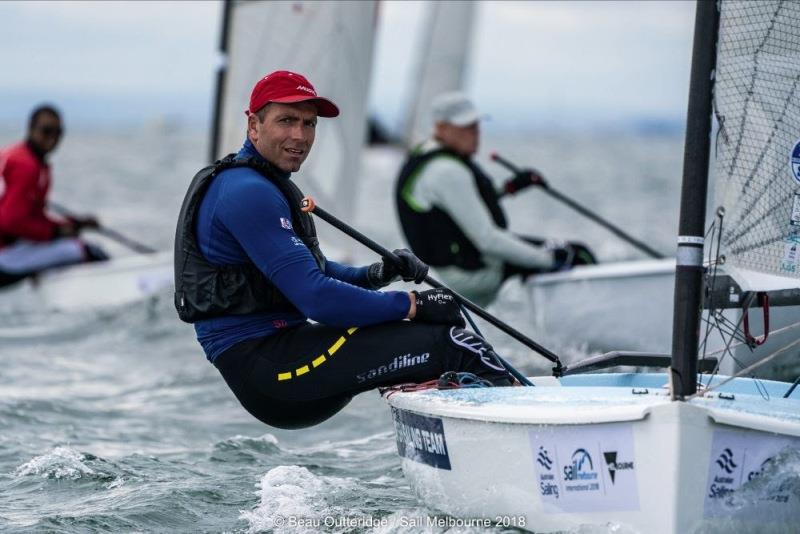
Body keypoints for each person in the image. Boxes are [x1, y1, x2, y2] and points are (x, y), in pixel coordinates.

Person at [174, 71, 515, 430]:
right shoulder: (246, 191)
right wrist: (413, 305)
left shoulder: (263, 182)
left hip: (284, 358)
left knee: (436, 348)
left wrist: (377, 275)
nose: (300, 136)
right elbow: (317, 299)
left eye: (309, 124)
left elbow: (310, 270)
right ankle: (521, 441)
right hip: (272, 371)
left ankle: (460, 443)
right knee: (455, 345)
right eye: (286, 120)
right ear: (254, 124)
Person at [395, 92, 596, 306]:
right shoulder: (447, 171)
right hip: (474, 272)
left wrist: (510, 188)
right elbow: (488, 239)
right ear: (441, 128)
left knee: (544, 255)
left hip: (460, 264)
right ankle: (593, 311)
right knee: (577, 254)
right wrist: (549, 261)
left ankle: (558, 309)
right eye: (466, 127)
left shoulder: (427, 154)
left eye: (476, 125)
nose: (475, 133)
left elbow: (457, 207)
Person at [0, 105, 105, 287]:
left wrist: (73, 224)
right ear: (31, 129)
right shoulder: (27, 166)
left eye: (58, 132)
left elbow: (31, 216)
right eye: (47, 131)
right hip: (5, 256)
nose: (53, 138)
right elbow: (11, 221)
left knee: (70, 243)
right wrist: (56, 232)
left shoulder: (15, 156)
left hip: (10, 247)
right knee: (84, 250)